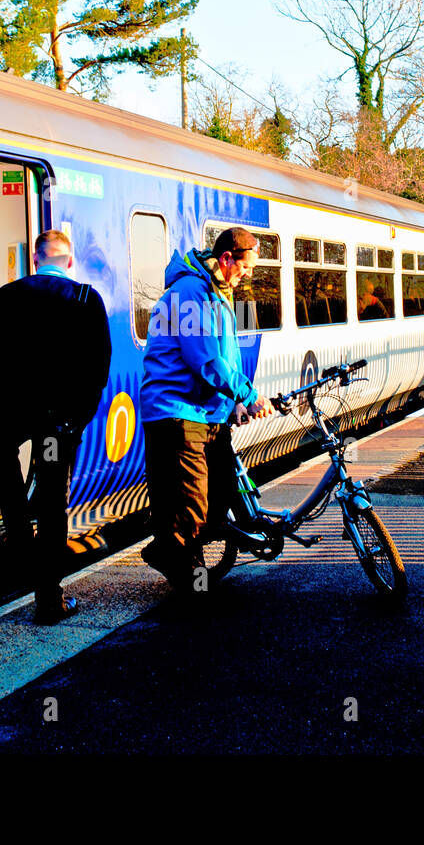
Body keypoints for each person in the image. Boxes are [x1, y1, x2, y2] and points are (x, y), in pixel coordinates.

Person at [0, 229, 111, 624]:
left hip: (10, 411)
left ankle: (18, 538)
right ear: (69, 262)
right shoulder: (86, 299)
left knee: (4, 461)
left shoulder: (8, 295)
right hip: (59, 420)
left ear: (35, 260)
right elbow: (98, 371)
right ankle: (49, 600)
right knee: (54, 504)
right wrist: (77, 419)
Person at [139, 226, 274, 591]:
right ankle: (190, 586)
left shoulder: (217, 291)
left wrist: (232, 405)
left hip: (207, 412)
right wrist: (248, 394)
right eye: (245, 267)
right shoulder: (189, 293)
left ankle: (169, 552)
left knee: (222, 497)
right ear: (228, 258)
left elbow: (222, 356)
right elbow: (206, 359)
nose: (247, 276)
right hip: (177, 412)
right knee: (192, 506)